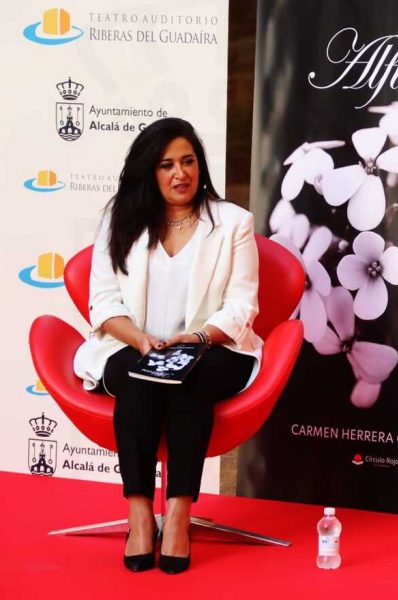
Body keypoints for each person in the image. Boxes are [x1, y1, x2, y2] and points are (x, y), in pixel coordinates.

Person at [73, 118, 262, 574]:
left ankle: (178, 512)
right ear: (149, 172)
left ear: (200, 166)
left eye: (188, 161)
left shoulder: (233, 223)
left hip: (212, 348)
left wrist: (196, 338)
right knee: (141, 380)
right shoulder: (120, 219)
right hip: (132, 345)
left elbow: (242, 305)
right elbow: (102, 301)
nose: (181, 173)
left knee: (186, 378)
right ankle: (139, 513)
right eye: (167, 165)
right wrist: (139, 339)